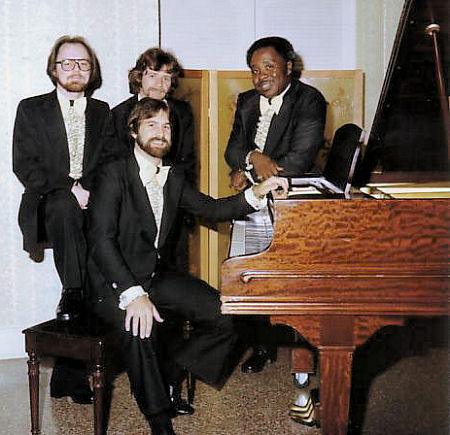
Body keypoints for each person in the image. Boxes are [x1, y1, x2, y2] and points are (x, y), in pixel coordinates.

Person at [86, 97, 288, 435]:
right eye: (151, 124)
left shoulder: (173, 176)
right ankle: (159, 420)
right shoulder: (113, 172)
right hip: (112, 281)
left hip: (153, 275)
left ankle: (170, 372)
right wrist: (133, 294)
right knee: (139, 326)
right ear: (134, 131)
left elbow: (213, 209)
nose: (161, 132)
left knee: (226, 315)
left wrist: (259, 190)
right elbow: (101, 241)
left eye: (166, 126)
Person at [13, 35, 117, 404]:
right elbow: (24, 164)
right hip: (49, 206)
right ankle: (71, 291)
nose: (75, 70)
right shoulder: (31, 109)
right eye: (67, 63)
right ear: (53, 69)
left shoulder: (103, 111)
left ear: (93, 71)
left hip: (92, 204)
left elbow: (110, 161)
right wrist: (71, 188)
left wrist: (89, 189)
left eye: (83, 64)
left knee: (93, 287)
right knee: (64, 206)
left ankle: (65, 377)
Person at [225, 36, 326, 380]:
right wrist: (251, 158)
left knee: (292, 281)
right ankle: (261, 345)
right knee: (251, 270)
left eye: (269, 67)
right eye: (254, 70)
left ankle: (304, 353)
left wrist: (249, 173)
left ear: (289, 67)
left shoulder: (309, 100)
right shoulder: (246, 101)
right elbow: (232, 149)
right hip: (254, 199)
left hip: (290, 200)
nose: (261, 76)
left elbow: (300, 159)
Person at [112, 48, 196, 273]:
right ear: (139, 77)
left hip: (172, 207)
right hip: (132, 209)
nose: (160, 84)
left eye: (166, 77)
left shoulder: (183, 112)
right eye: (152, 75)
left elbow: (188, 160)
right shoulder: (118, 114)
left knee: (174, 273)